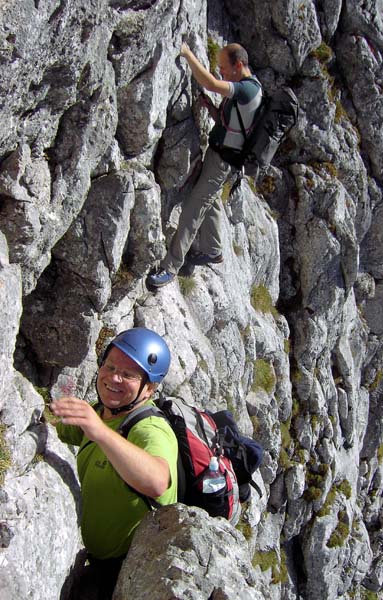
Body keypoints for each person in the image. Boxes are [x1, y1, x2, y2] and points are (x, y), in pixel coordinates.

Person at [51, 327, 178, 599]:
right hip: (91, 561)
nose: (113, 378)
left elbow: (156, 481)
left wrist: (99, 431)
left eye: (129, 375)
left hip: (121, 574)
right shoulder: (102, 413)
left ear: (150, 387)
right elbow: (59, 425)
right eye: (109, 366)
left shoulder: (151, 429)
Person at [147, 42, 262, 288]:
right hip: (221, 157)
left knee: (193, 208)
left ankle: (170, 268)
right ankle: (213, 250)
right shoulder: (252, 88)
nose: (220, 71)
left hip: (222, 161)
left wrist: (187, 54)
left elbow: (211, 84)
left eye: (223, 67)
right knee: (209, 198)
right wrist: (210, 108)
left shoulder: (246, 90)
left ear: (238, 65)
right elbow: (233, 123)